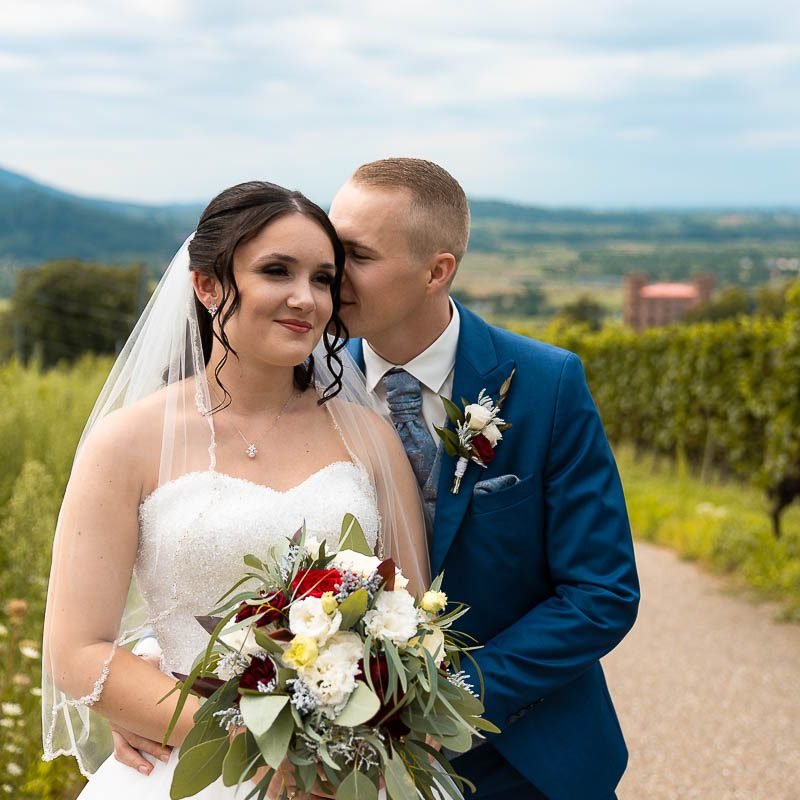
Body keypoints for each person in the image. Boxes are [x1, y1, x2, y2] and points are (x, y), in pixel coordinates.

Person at [41, 181, 433, 799]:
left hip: (346, 775)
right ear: (208, 285)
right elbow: (78, 651)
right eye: (277, 271)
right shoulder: (129, 442)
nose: (306, 299)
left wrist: (343, 742)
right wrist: (264, 741)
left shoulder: (370, 439)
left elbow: (411, 625)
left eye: (324, 278)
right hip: (193, 764)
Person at [326, 158, 641, 800]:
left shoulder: (547, 385)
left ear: (437, 270)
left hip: (522, 757)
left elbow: (601, 591)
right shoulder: (307, 387)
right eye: (331, 247)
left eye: (357, 254)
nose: (332, 273)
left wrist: (452, 693)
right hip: (339, 765)